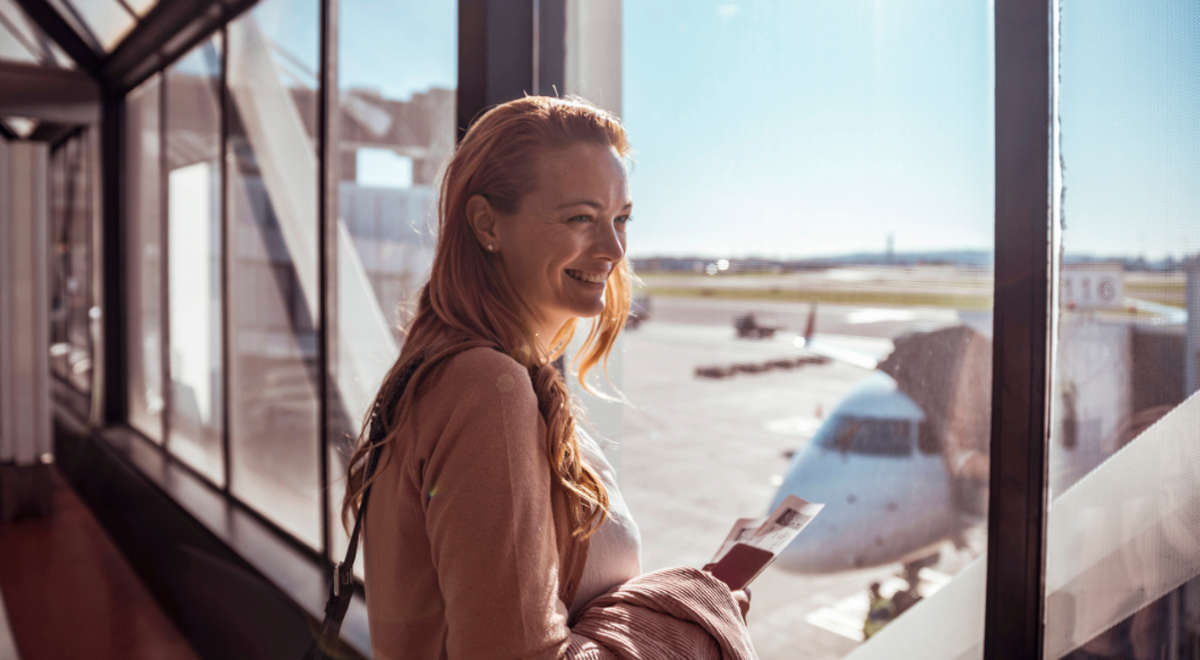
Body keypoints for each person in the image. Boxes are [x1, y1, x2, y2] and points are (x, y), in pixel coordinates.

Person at [341, 96, 754, 660]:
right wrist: (690, 617)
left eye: (621, 219)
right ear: (488, 224)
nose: (613, 250)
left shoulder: (449, 368)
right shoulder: (489, 388)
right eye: (580, 218)